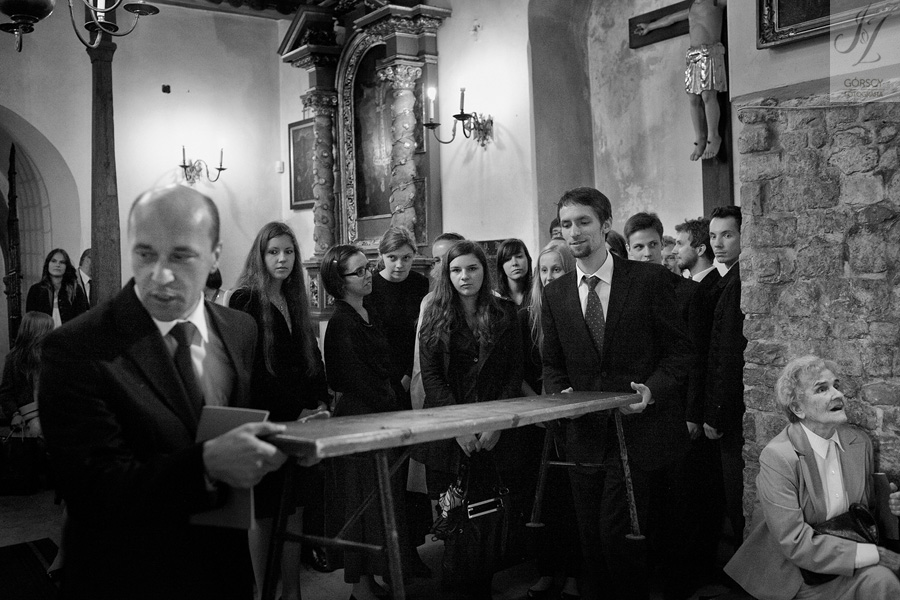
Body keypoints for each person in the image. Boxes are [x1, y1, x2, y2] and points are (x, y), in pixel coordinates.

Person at [38, 184, 288, 600]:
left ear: (214, 255)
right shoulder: (78, 347)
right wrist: (205, 465)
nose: (160, 274)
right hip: (128, 574)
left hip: (223, 568)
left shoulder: (238, 329)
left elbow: (230, 427)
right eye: (145, 254)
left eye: (181, 255)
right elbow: (93, 490)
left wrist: (291, 443)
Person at [541, 187, 692, 600]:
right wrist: (561, 395)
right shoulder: (555, 292)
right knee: (592, 542)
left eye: (584, 222)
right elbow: (551, 364)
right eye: (566, 224)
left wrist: (652, 390)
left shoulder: (648, 280)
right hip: (584, 436)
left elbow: (680, 352)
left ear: (606, 225)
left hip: (637, 434)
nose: (574, 232)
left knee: (618, 538)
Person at [725, 355, 900, 599]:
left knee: (884, 582)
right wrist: (876, 555)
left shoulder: (859, 443)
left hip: (849, 559)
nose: (838, 394)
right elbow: (794, 541)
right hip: (796, 573)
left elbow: (866, 512)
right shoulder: (778, 457)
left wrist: (893, 508)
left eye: (836, 385)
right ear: (798, 409)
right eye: (822, 389)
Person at [416, 240, 524, 599]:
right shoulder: (434, 312)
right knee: (454, 522)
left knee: (489, 519)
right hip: (450, 430)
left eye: (472, 268)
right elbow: (432, 379)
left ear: (484, 271)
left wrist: (497, 423)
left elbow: (513, 373)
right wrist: (459, 428)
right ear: (447, 274)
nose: (465, 276)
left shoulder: (505, 312)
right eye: (456, 270)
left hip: (494, 427)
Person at [229, 221, 331, 600]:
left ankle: (294, 592)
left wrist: (320, 400)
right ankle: (266, 593)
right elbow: (253, 371)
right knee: (265, 512)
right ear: (260, 255)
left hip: (301, 420)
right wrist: (296, 408)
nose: (282, 259)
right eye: (273, 252)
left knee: (295, 508)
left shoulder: (294, 297)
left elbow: (311, 358)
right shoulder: (244, 300)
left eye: (288, 252)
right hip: (265, 419)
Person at [321, 244, 414, 600]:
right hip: (359, 415)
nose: (367, 275)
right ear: (339, 281)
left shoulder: (368, 310)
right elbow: (349, 376)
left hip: (380, 410)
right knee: (360, 501)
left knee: (381, 500)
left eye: (367, 268)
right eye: (358, 271)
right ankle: (360, 586)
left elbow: (384, 363)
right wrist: (388, 399)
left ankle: (376, 576)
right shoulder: (341, 320)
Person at [363, 225, 433, 575]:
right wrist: (393, 379)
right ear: (381, 257)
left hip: (413, 381)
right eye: (392, 258)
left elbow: (424, 335)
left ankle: (412, 549)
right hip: (382, 386)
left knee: (412, 472)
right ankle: (388, 557)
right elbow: (370, 339)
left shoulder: (420, 285)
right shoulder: (370, 287)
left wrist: (408, 374)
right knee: (388, 475)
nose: (399, 265)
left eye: (406, 258)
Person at [523, 244, 582, 600]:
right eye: (543, 270)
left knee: (573, 500)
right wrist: (539, 408)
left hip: (571, 415)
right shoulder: (525, 316)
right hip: (539, 419)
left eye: (556, 270)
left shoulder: (578, 309)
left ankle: (575, 574)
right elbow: (517, 371)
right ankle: (547, 570)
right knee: (544, 500)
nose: (548, 277)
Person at [634, 0, 728, 161]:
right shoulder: (692, 7)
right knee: (693, 98)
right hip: (693, 56)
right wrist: (650, 26)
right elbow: (670, 19)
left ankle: (714, 136)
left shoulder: (716, 2)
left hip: (709, 52)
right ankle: (700, 138)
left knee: (707, 95)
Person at [704, 205, 747, 550]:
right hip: (730, 406)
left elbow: (726, 351)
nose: (718, 243)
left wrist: (716, 412)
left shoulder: (738, 281)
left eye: (727, 235)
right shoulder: (724, 280)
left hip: (733, 409)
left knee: (737, 494)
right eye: (713, 236)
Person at [0, 311, 54, 433]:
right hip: (29, 414)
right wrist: (14, 414)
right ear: (37, 333)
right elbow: (6, 394)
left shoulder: (52, 356)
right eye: (49, 330)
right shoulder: (14, 359)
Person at [25, 248, 89, 328]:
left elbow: (81, 319)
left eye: (62, 262)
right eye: (53, 261)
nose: (57, 265)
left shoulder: (75, 290)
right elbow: (30, 321)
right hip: (43, 335)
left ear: (66, 266)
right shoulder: (36, 290)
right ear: (48, 264)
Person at [496, 238, 533, 307]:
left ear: (528, 259)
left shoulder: (540, 293)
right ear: (501, 266)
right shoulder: (496, 299)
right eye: (508, 259)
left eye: (519, 256)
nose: (514, 263)